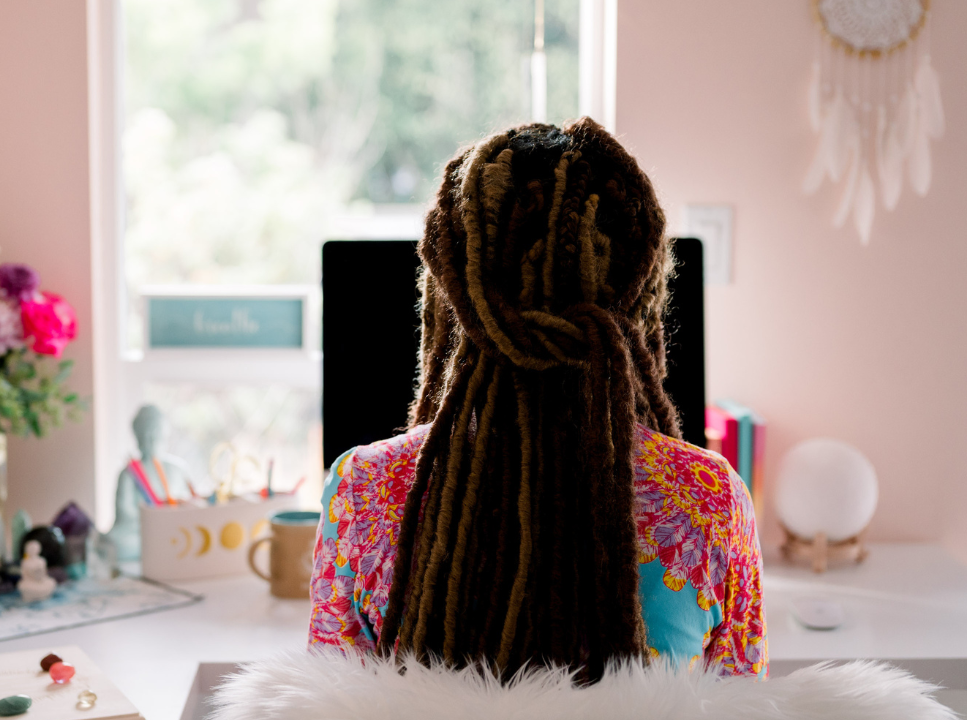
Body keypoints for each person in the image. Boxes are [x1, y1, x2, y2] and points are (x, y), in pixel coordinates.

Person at [308, 118, 765, 680]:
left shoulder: (361, 492)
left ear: (456, 297)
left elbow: (324, 704)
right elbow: (742, 707)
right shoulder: (711, 501)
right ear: (642, 296)